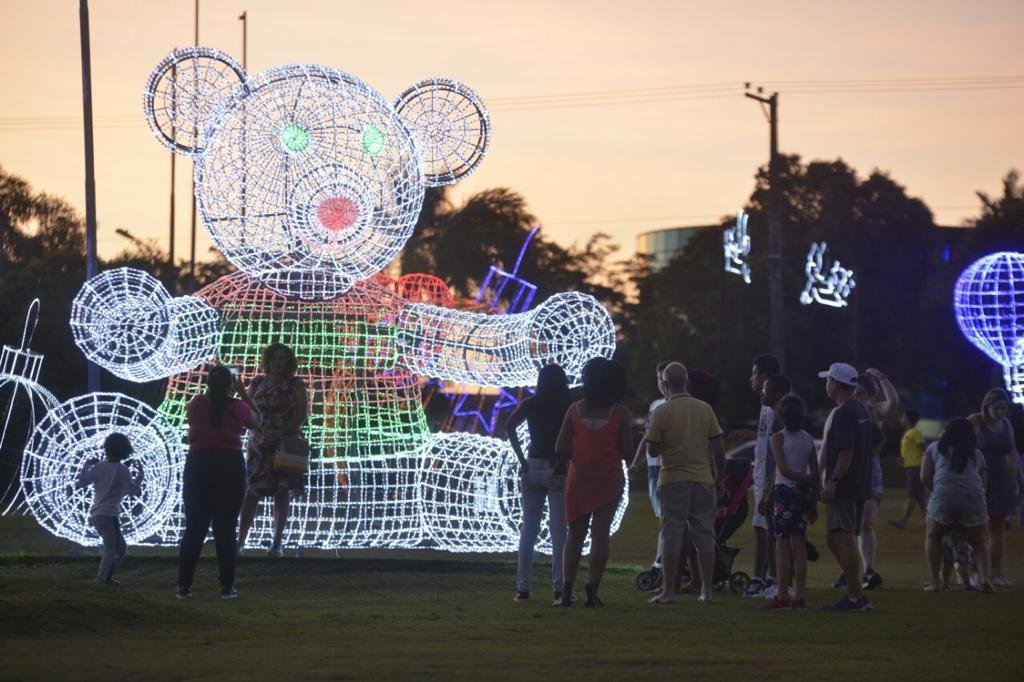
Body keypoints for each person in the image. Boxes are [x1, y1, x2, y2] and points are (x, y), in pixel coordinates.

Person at [645, 362, 726, 605]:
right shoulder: (704, 409)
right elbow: (718, 447)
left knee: (672, 534)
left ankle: (669, 591)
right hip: (703, 479)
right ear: (687, 382)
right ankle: (707, 591)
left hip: (673, 479)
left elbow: (653, 449)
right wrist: (719, 478)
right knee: (705, 535)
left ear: (665, 384)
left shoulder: (661, 412)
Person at [178, 364, 260, 599]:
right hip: (228, 466)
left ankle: (184, 586)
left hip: (198, 465)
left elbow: (194, 417)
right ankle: (226, 586)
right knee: (226, 528)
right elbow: (257, 421)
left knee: (194, 528)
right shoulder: (238, 407)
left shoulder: (196, 403)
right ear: (230, 383)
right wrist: (243, 394)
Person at [554, 357, 631, 607]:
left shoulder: (574, 410)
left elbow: (560, 447)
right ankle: (592, 592)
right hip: (609, 478)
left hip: (579, 478)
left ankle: (566, 591)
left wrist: (579, 450)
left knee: (575, 534)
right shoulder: (620, 414)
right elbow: (627, 452)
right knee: (600, 533)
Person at [818, 362, 882, 612]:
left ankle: (854, 596)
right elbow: (878, 440)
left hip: (844, 485)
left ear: (835, 384)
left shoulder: (844, 413)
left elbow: (846, 451)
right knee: (836, 538)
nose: (826, 384)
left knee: (842, 538)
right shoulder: (863, 409)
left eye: (828, 380)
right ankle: (856, 592)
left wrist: (832, 479)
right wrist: (863, 464)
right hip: (860, 484)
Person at [506, 364, 572, 605]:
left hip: (532, 466)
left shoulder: (531, 404)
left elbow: (509, 426)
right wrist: (565, 459)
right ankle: (559, 589)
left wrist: (522, 459)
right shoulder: (568, 406)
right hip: (557, 468)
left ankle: (522, 589)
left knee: (529, 529)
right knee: (559, 531)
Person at [237, 343, 309, 557]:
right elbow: (247, 409)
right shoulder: (258, 382)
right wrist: (257, 431)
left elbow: (301, 414)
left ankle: (277, 543)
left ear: (289, 362)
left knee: (282, 490)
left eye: (282, 358)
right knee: (251, 491)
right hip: (258, 444)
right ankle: (240, 542)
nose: (278, 362)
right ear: (267, 361)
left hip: (284, 444)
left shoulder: (296, 385)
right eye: (274, 358)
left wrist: (280, 432)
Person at [728, 354, 781, 597]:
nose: (752, 379)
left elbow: (777, 441)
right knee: (762, 528)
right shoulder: (765, 406)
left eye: (754, 373)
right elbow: (765, 437)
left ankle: (768, 579)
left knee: (765, 529)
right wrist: (749, 434)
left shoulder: (775, 406)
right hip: (761, 475)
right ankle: (766, 577)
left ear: (764, 376)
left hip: (770, 477)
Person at [921, 418, 993, 592]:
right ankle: (986, 579)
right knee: (979, 540)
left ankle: (936, 582)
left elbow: (924, 477)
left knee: (934, 536)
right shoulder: (976, 454)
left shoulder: (934, 448)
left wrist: (937, 492)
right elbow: (983, 483)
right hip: (973, 497)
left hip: (943, 495)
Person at [761, 394, 818, 610]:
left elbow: (783, 470)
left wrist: (802, 479)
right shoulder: (808, 439)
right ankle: (800, 595)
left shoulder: (778, 438)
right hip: (803, 494)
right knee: (799, 544)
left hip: (785, 492)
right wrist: (812, 493)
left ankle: (783, 594)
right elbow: (815, 471)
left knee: (782, 544)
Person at [968, 388, 1021, 587]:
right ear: (987, 406)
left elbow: (1012, 452)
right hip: (979, 478)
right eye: (997, 407)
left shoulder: (1006, 424)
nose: (1000, 412)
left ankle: (997, 573)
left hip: (1001, 480)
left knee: (998, 527)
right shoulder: (976, 421)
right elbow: (954, 438)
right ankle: (974, 569)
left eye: (1003, 408)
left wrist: (1018, 479)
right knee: (977, 527)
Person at [850, 367, 897, 591]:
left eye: (860, 393)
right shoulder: (847, 411)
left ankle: (869, 569)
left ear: (870, 395)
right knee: (851, 524)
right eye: (853, 393)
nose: (856, 397)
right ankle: (849, 570)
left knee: (866, 523)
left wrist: (881, 377)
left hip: (871, 469)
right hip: (850, 468)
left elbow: (893, 402)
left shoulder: (875, 410)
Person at [75, 433, 143, 586]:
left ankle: (106, 577)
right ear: (125, 451)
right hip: (109, 515)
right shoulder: (122, 470)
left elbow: (82, 482)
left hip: (97, 515)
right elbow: (131, 491)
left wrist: (86, 465)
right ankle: (102, 579)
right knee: (113, 549)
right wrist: (140, 477)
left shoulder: (99, 466)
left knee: (120, 548)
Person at [629, 361, 671, 579]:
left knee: (667, 518)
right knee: (662, 517)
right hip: (654, 467)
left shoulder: (678, 406)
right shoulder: (656, 405)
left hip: (669, 467)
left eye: (664, 378)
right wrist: (637, 463)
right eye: (658, 379)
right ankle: (661, 559)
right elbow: (647, 438)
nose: (661, 383)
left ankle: (661, 562)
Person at [889, 409, 928, 530]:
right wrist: (903, 458)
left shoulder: (914, 432)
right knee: (920, 497)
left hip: (915, 468)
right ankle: (932, 520)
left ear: (908, 419)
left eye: (903, 417)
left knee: (911, 494)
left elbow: (924, 448)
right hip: (912, 468)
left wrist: (927, 463)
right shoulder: (909, 432)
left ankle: (903, 521)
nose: (901, 419)